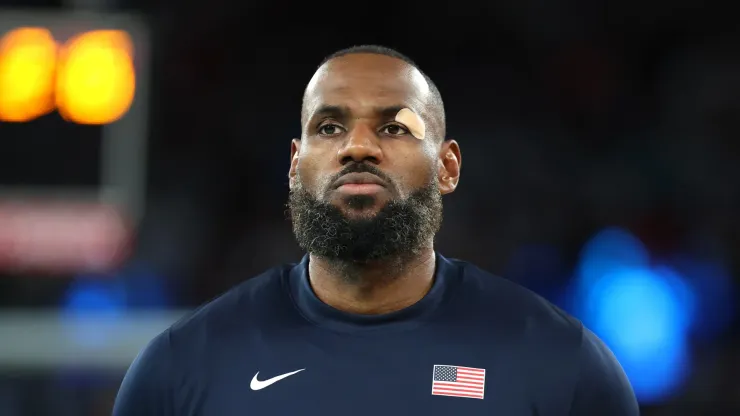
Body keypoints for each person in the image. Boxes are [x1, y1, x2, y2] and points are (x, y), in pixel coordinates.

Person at [113, 45, 639, 415]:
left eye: (394, 127)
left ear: (448, 167)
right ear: (295, 165)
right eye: (330, 127)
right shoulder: (180, 368)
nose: (357, 146)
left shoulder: (563, 365)